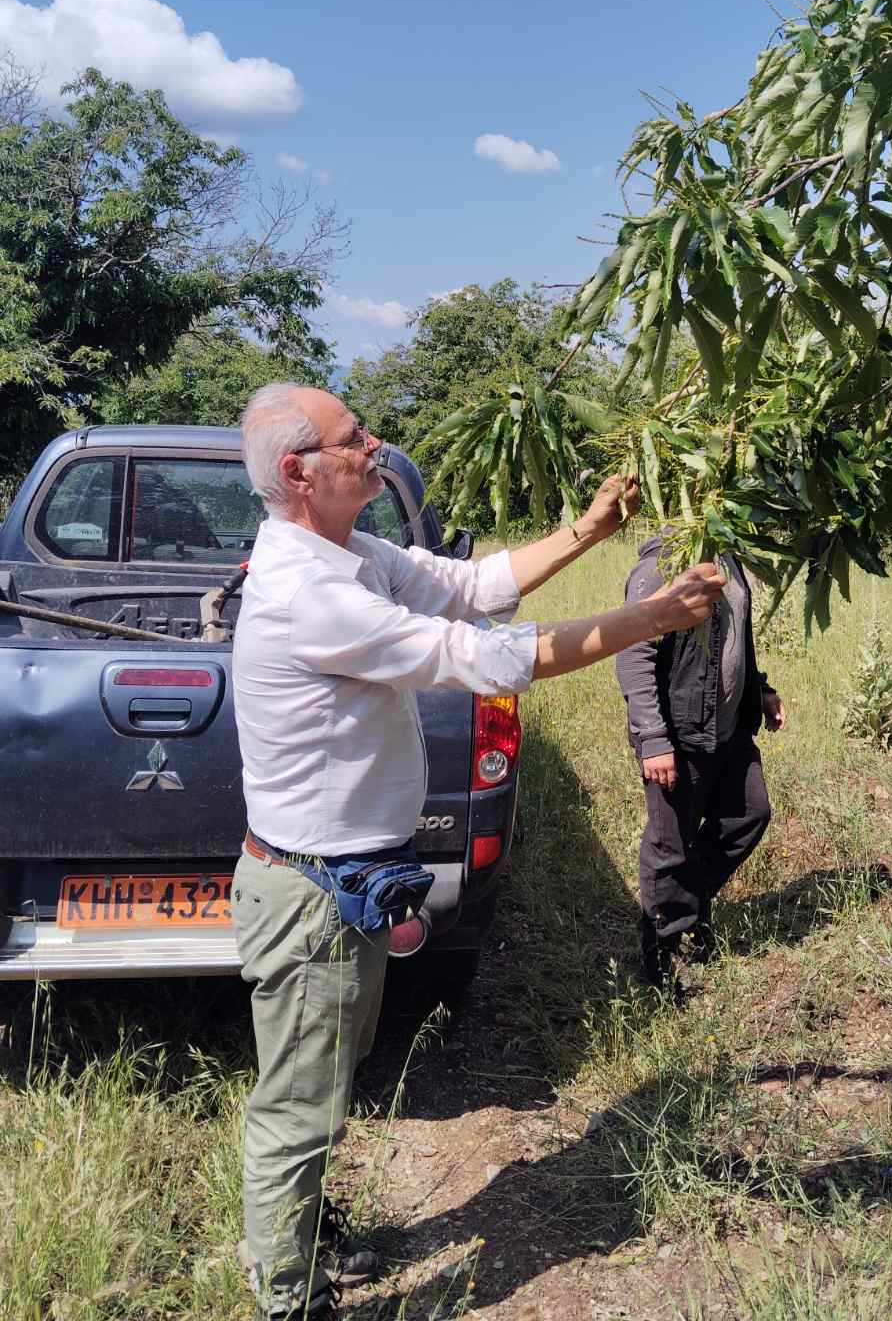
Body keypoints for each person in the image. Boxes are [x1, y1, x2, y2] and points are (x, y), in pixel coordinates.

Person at [231, 383, 724, 1321]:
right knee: (297, 1108)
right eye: (353, 438)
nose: (374, 445)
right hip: (310, 900)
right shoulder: (309, 595)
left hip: (346, 887)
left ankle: (307, 1238)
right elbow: (489, 654)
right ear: (299, 472)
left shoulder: (351, 553)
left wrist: (586, 529)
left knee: (327, 1079)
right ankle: (290, 1299)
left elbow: (471, 587)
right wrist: (649, 619)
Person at [616, 537, 785, 990]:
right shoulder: (660, 567)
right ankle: (661, 956)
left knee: (749, 813)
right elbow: (633, 655)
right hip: (679, 733)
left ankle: (687, 907)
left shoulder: (726, 555)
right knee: (670, 845)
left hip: (728, 728)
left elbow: (737, 633)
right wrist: (653, 740)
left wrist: (761, 688)